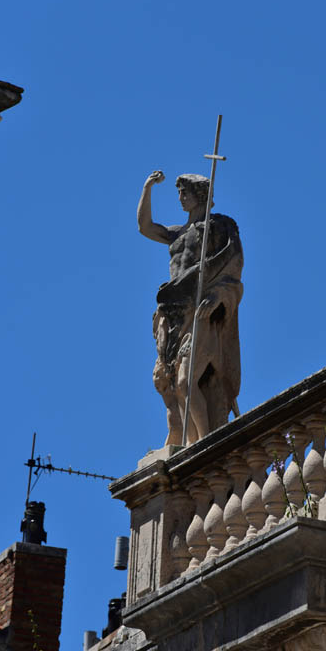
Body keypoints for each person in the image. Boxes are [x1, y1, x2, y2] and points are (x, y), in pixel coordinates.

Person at [137, 170, 243, 445]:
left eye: (186, 193)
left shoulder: (218, 227)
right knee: (169, 383)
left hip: (199, 312)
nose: (181, 198)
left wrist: (218, 295)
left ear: (200, 196)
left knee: (186, 381)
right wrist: (148, 188)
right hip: (172, 312)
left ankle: (203, 442)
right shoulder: (178, 233)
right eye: (179, 193)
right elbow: (145, 227)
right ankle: (183, 437)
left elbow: (233, 269)